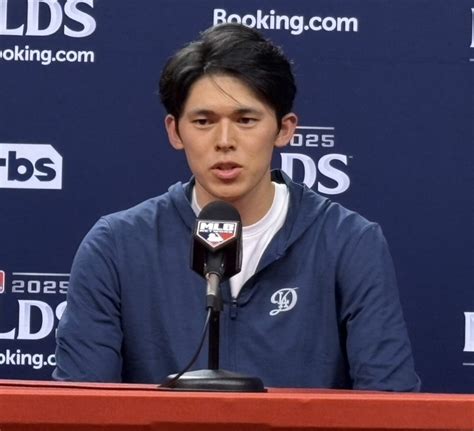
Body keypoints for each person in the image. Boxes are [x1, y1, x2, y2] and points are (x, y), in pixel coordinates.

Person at [53, 23, 421, 391]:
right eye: (203, 121)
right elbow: (80, 406)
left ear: (284, 129)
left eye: (246, 120)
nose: (225, 141)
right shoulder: (116, 246)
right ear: (175, 131)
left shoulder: (349, 243)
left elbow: (390, 401)